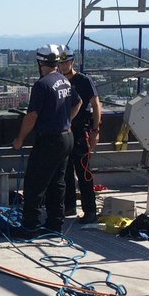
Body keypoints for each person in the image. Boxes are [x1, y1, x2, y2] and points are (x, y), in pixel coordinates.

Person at [11, 44, 82, 236]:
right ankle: (54, 224)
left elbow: (32, 116)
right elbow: (78, 102)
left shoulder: (42, 85)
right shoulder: (64, 81)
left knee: (35, 183)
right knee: (57, 183)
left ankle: (30, 226)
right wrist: (65, 119)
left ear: (40, 62)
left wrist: (19, 139)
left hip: (49, 140)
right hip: (66, 137)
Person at [57, 46, 101, 224]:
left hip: (80, 131)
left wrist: (95, 131)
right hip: (64, 131)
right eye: (61, 62)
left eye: (67, 61)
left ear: (72, 62)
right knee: (65, 170)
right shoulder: (57, 81)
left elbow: (96, 105)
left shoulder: (83, 80)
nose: (64, 65)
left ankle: (90, 211)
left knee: (83, 171)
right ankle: (69, 206)